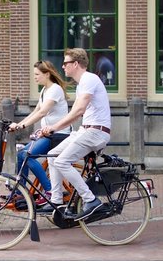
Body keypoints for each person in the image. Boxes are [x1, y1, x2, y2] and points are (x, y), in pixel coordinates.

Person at [40, 48, 111, 221]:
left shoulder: (89, 79)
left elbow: (78, 110)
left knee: (62, 161)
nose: (63, 67)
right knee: (52, 154)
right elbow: (76, 113)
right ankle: (56, 200)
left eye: (66, 63)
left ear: (76, 64)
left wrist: (54, 127)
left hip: (96, 132)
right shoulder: (82, 84)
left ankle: (90, 200)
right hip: (86, 130)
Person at [9, 61, 70, 205]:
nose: (34, 77)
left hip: (57, 135)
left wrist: (22, 125)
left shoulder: (55, 89)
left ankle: (50, 190)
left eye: (37, 74)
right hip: (47, 134)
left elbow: (43, 112)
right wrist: (18, 124)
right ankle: (20, 193)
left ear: (47, 74)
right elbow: (36, 111)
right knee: (20, 155)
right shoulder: (44, 90)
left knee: (26, 155)